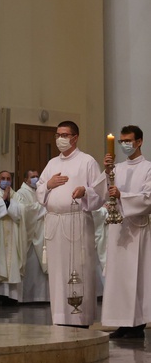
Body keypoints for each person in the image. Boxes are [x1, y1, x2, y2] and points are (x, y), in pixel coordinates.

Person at [36, 121, 102, 327]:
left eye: (64, 135)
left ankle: (79, 318)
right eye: (57, 135)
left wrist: (85, 192)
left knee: (78, 268)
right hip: (55, 222)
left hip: (77, 221)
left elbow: (100, 193)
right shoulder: (52, 163)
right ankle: (60, 317)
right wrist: (48, 184)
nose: (60, 139)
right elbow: (39, 189)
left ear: (75, 137)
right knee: (57, 271)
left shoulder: (87, 161)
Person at [95, 125, 151, 339]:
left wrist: (122, 195)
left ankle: (136, 324)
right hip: (117, 228)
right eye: (121, 141)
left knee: (135, 276)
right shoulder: (116, 167)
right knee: (117, 277)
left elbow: (148, 198)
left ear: (139, 141)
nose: (125, 144)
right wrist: (107, 171)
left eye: (128, 140)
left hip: (137, 229)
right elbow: (100, 193)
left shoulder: (148, 168)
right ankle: (121, 323)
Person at [0, 171, 26, 303]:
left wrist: (10, 202)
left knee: (12, 263)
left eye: (8, 179)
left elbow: (21, 213)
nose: (6, 181)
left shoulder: (17, 196)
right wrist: (3, 201)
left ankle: (12, 297)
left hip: (13, 235)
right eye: (3, 178)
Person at [16, 169, 50, 303]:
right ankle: (30, 297)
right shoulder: (21, 193)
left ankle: (43, 297)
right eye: (33, 177)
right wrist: (42, 208)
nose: (36, 179)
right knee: (32, 265)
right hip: (31, 234)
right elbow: (24, 211)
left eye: (37, 176)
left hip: (43, 232)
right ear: (26, 180)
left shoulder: (41, 191)